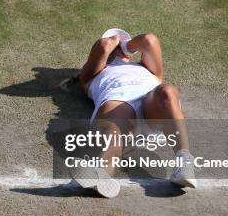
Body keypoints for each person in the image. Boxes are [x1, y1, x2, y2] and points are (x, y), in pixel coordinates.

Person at [68, 28, 197, 197]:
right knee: (112, 133)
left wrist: (125, 46)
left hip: (151, 104)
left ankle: (184, 163)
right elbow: (104, 44)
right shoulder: (91, 75)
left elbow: (149, 40)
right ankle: (101, 174)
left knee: (167, 91)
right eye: (115, 41)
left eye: (120, 42)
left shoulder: (148, 68)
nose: (116, 45)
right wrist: (114, 43)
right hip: (118, 103)